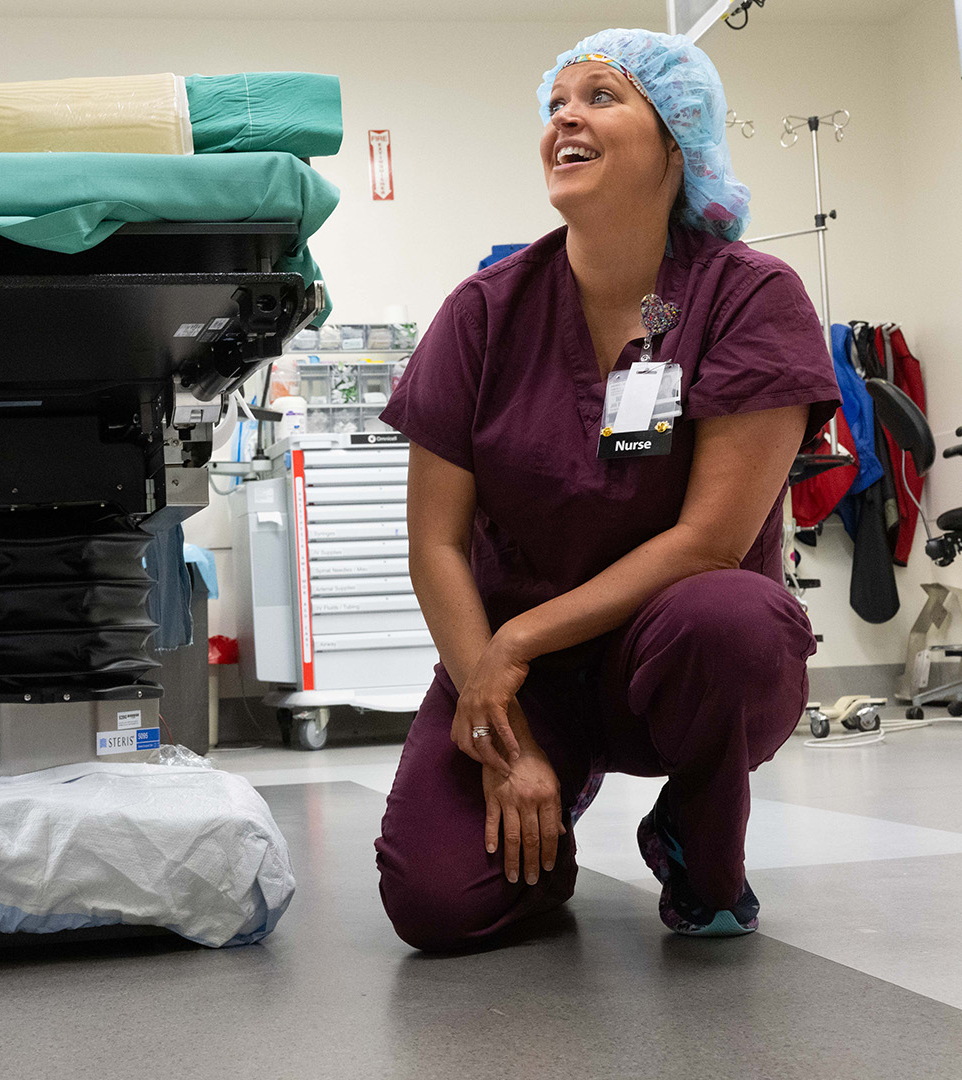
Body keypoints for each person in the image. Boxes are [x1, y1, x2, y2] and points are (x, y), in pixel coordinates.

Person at [373, 28, 842, 946]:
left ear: (678, 140)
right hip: (522, 675)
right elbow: (434, 541)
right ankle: (542, 839)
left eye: (601, 96)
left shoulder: (750, 298)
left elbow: (710, 540)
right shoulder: (485, 311)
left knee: (731, 621)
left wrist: (517, 641)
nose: (566, 120)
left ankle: (696, 844)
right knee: (437, 904)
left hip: (666, 655)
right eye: (556, 104)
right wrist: (502, 712)